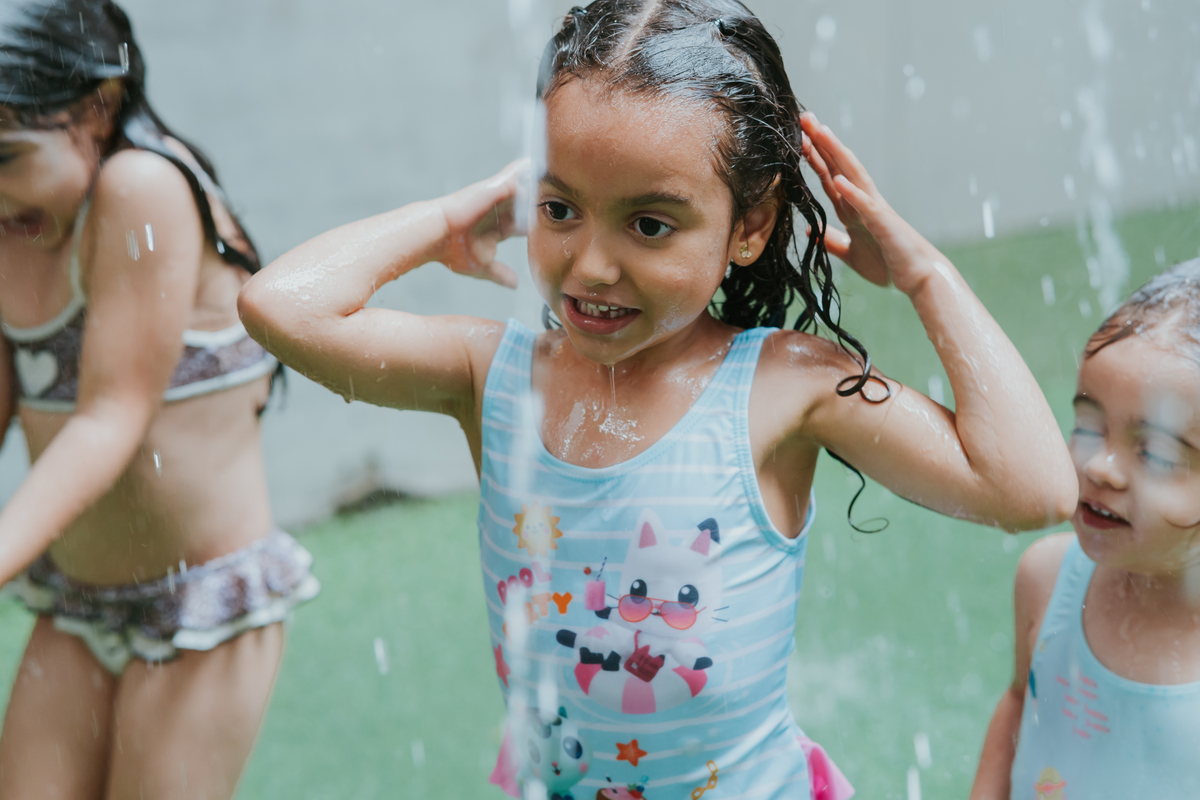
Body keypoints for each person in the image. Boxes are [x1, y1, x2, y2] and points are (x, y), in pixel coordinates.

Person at [238, 1, 1075, 796]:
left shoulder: (783, 386)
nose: (592, 264)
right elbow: (282, 307)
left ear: (748, 227)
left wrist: (927, 276)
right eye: (560, 207)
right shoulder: (492, 377)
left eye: (649, 225)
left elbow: (1030, 490)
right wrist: (444, 219)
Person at [0, 1, 318, 797]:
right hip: (80, 599)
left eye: (4, 155)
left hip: (203, 607)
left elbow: (112, 416)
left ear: (98, 109)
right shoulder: (13, 218)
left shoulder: (142, 187)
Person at [970, 260, 1200, 800]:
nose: (1100, 467)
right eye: (1088, 428)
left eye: (1157, 454)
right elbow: (1018, 705)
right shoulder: (1048, 579)